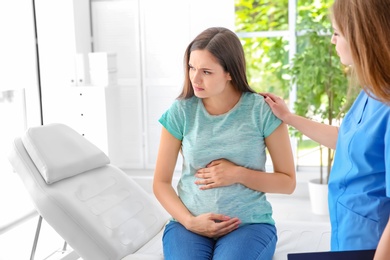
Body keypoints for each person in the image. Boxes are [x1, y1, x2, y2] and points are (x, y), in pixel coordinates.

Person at [153, 27, 296, 260]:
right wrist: (190, 222)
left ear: (230, 72)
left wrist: (237, 174)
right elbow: (160, 182)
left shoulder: (261, 111)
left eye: (206, 72)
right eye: (192, 67)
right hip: (189, 224)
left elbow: (287, 183)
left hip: (249, 225)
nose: (195, 78)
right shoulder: (181, 111)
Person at [262, 0, 390, 259]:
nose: (332, 41)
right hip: (349, 234)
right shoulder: (372, 92)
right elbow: (347, 140)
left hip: (373, 244)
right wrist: (288, 117)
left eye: (336, 33)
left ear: (361, 37)